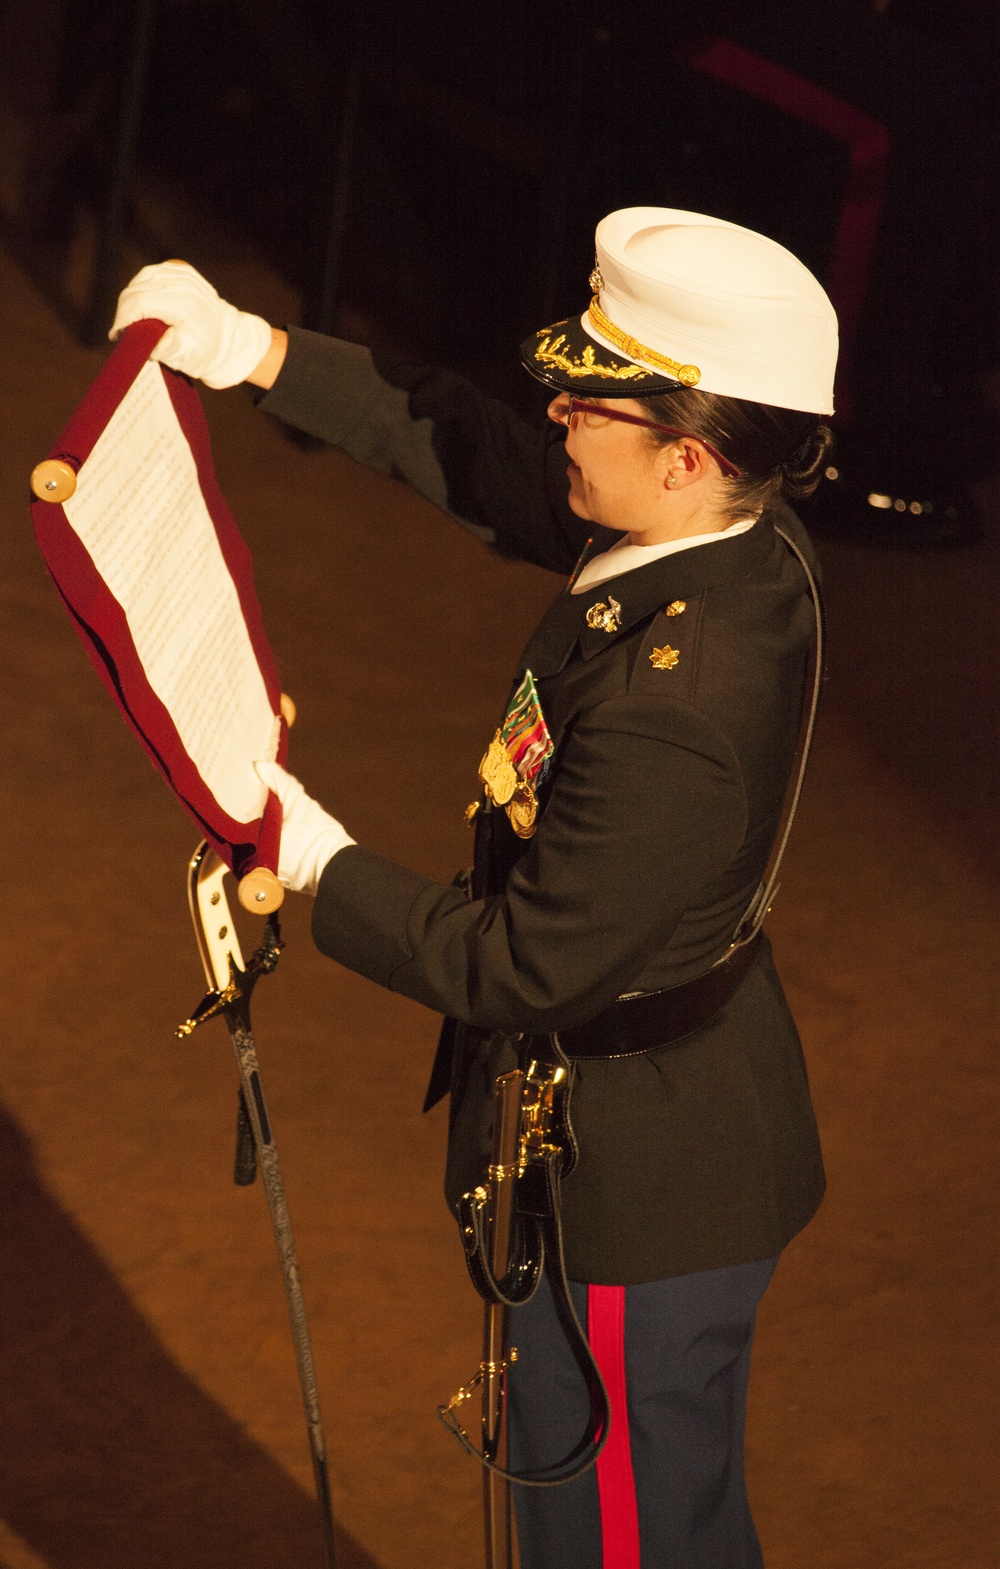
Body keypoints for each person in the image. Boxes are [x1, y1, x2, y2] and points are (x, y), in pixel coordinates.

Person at [111, 206, 836, 1568]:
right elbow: (484, 452)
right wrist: (259, 353)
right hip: (642, 1121)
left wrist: (317, 862)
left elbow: (524, 965)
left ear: (685, 453)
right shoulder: (716, 541)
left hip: (640, 1178)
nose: (557, 407)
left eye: (594, 400)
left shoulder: (683, 698)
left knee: (622, 1540)